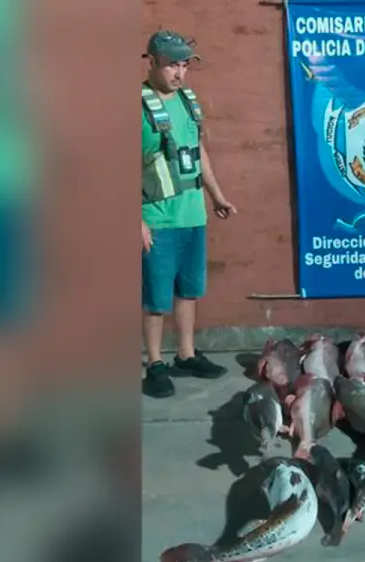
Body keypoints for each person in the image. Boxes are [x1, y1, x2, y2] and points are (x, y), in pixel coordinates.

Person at [141, 31, 238, 398]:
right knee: (155, 298)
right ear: (152, 61)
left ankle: (186, 354)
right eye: (171, 65)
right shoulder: (137, 106)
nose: (179, 73)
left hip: (192, 214)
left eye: (184, 65)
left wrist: (216, 196)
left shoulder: (187, 101)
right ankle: (154, 363)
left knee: (188, 292)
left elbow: (198, 153)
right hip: (158, 218)